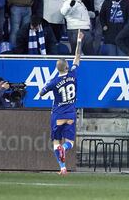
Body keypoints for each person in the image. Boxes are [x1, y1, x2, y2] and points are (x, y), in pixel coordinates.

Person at [39, 30, 84, 175]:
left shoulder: (54, 82)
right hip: (70, 113)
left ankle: (62, 167)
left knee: (55, 142)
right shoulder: (73, 73)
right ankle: (64, 154)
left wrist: (46, 87)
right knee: (69, 142)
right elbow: (77, 57)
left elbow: (41, 93)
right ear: (66, 67)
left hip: (57, 114)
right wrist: (78, 41)